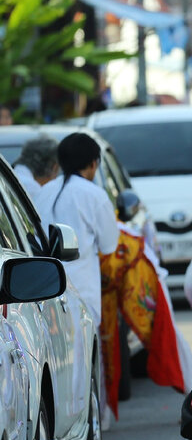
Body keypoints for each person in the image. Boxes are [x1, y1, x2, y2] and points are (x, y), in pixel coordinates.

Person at [33, 133, 119, 323]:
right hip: (82, 291)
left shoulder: (43, 192)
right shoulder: (95, 195)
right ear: (93, 164)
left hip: (46, 290)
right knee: (85, 350)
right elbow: (109, 245)